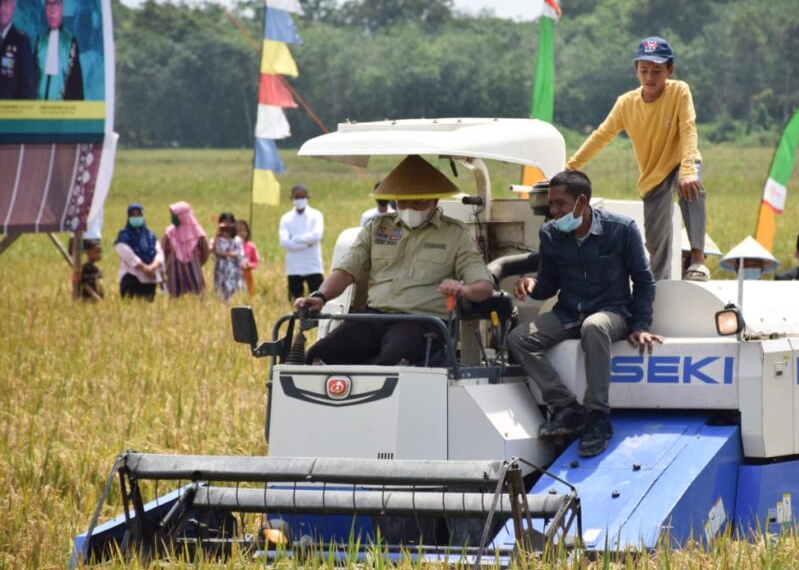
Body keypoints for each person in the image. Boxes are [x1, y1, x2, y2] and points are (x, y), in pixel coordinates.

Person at [508, 170, 661, 458]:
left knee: (594, 326)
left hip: (612, 312)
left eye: (560, 205)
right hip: (569, 313)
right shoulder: (551, 234)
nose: (554, 212)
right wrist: (532, 286)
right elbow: (548, 284)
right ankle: (567, 407)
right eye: (551, 205)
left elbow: (644, 281)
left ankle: (597, 417)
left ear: (581, 202)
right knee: (518, 339)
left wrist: (640, 324)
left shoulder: (622, 229)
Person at [296, 155, 494, 366]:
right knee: (319, 356)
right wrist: (320, 296)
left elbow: (483, 287)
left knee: (392, 363)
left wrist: (462, 290)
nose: (410, 207)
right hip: (374, 318)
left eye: (418, 201)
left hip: (422, 322)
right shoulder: (377, 227)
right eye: (403, 201)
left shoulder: (455, 234)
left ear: (435, 200)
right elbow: (346, 270)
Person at [565, 36, 708, 282]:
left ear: (670, 70)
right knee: (656, 239)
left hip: (681, 161)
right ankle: (660, 286)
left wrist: (687, 171)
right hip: (653, 174)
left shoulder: (679, 91)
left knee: (691, 187)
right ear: (636, 71)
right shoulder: (626, 104)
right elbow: (601, 136)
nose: (650, 77)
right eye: (644, 71)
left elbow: (688, 128)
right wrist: (570, 168)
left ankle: (698, 259)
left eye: (657, 71)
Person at [34, 0, 83, 101]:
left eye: (55, 3)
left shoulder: (70, 42)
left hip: (62, 116)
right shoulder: (40, 41)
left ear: (62, 7)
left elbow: (77, 88)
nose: (51, 10)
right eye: (48, 4)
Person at [279, 184, 324, 301]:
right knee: (295, 300)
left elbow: (316, 236)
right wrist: (307, 243)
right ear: (291, 198)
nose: (300, 200)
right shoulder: (286, 218)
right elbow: (284, 242)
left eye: (302, 197)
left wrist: (294, 239)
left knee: (318, 298)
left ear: (308, 197)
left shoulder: (316, 215)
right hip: (294, 267)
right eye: (297, 197)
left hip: (313, 265)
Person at [0, 0, 37, 99]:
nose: (2, 8)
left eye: (6, 1)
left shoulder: (21, 42)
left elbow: (29, 90)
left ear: (13, 5)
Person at [114, 203, 164, 300]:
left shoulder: (150, 235)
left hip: (150, 279)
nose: (136, 218)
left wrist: (153, 267)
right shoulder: (124, 236)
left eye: (139, 215)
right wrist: (145, 269)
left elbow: (159, 253)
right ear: (129, 217)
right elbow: (128, 255)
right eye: (133, 215)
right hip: (132, 278)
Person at [162, 201, 209, 297]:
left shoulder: (198, 233)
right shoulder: (169, 233)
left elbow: (205, 253)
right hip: (174, 273)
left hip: (194, 273)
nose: (173, 217)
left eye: (175, 215)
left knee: (197, 297)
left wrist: (197, 263)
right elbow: (164, 252)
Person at [212, 212, 244, 302]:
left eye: (229, 222)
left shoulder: (237, 239)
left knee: (232, 290)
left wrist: (223, 254)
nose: (227, 225)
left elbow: (238, 254)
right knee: (219, 290)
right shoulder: (217, 240)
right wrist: (217, 234)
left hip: (232, 269)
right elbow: (214, 251)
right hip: (220, 269)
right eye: (224, 222)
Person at [70, 236, 103, 301]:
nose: (99, 255)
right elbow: (85, 284)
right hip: (90, 299)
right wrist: (94, 295)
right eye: (96, 252)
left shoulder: (96, 268)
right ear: (87, 252)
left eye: (100, 252)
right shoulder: (87, 268)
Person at [237, 219, 260, 296]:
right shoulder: (232, 245)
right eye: (239, 231)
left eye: (244, 230)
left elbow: (255, 262)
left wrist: (250, 265)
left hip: (247, 275)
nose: (242, 233)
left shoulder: (251, 246)